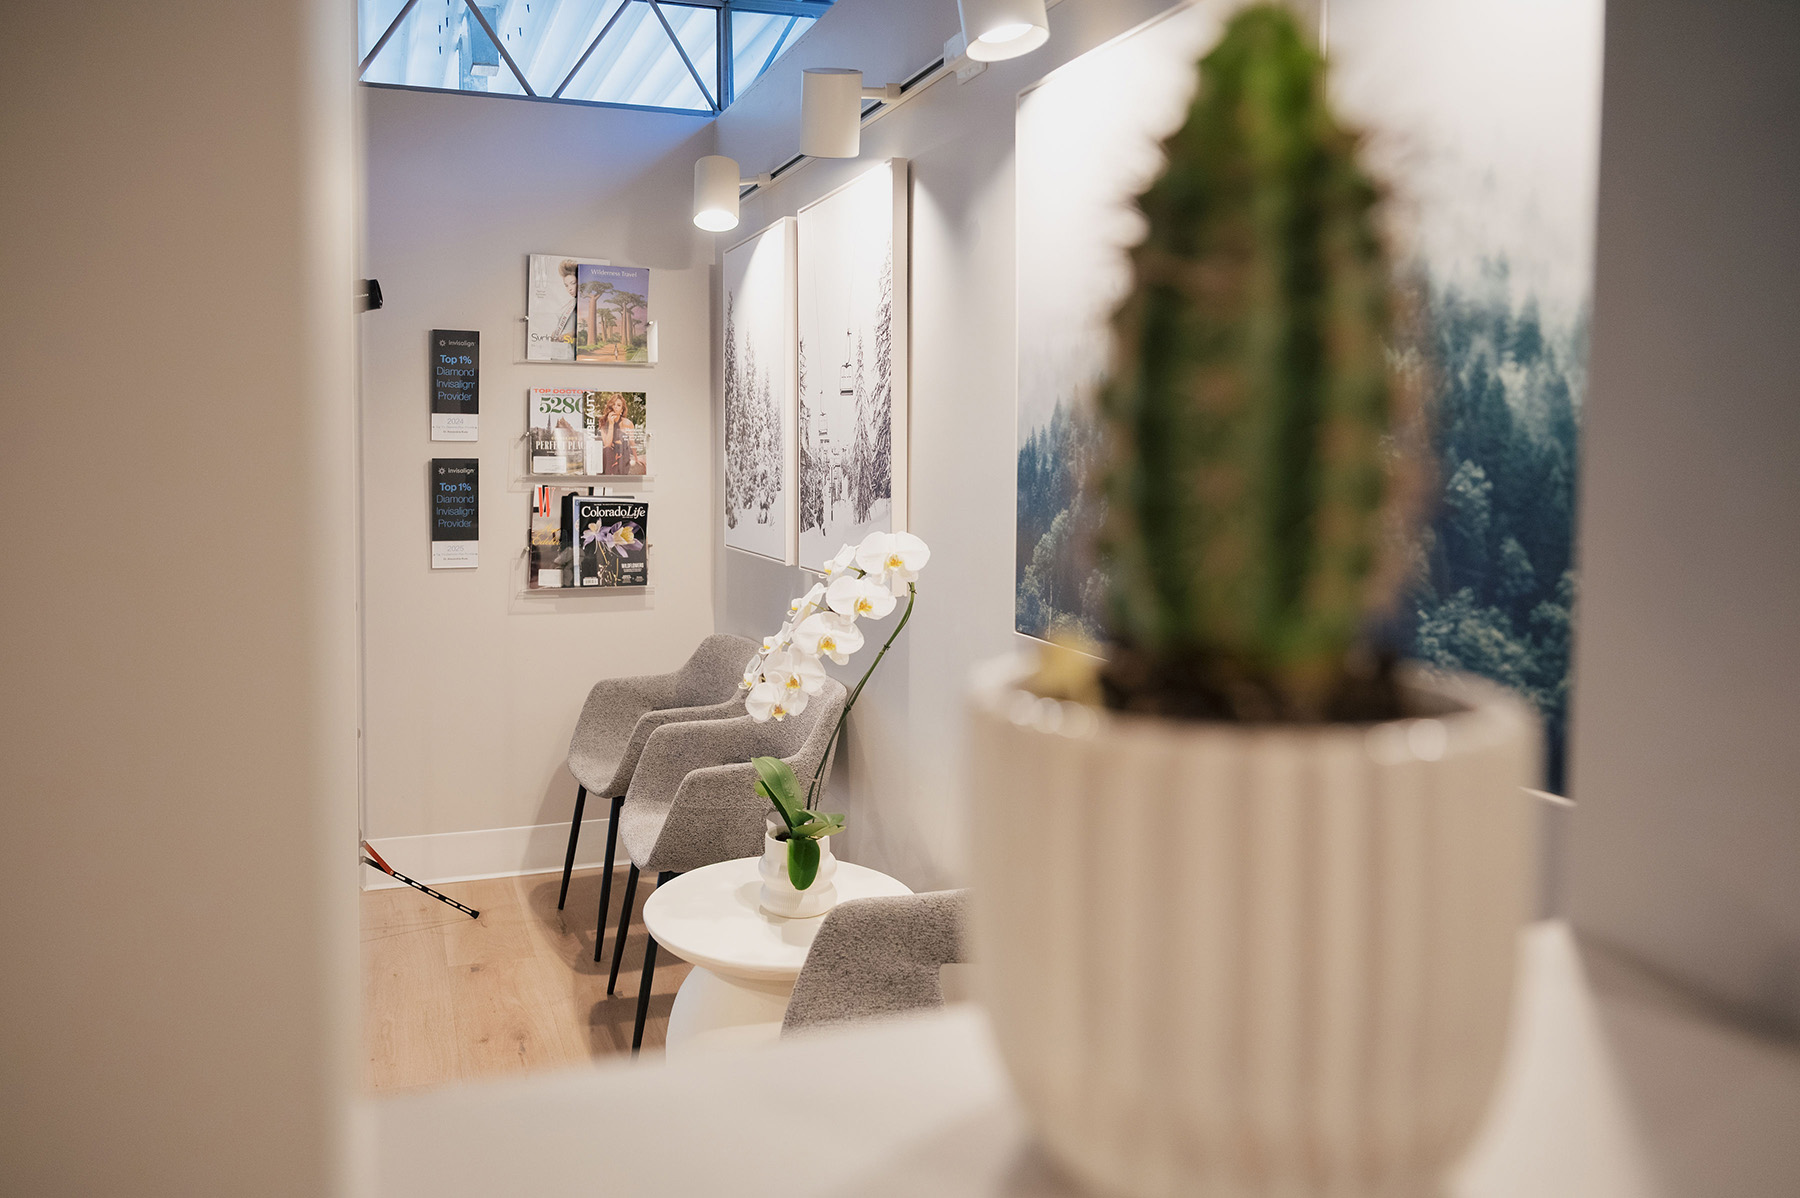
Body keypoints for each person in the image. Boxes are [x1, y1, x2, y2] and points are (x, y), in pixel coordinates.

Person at [595, 392, 639, 476]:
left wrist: (636, 458)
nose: (615, 407)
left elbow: (632, 443)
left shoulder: (627, 423)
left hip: (622, 454)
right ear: (610, 406)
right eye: (613, 404)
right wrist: (611, 424)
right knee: (607, 451)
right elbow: (607, 444)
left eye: (618, 405)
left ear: (622, 410)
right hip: (610, 454)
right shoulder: (603, 422)